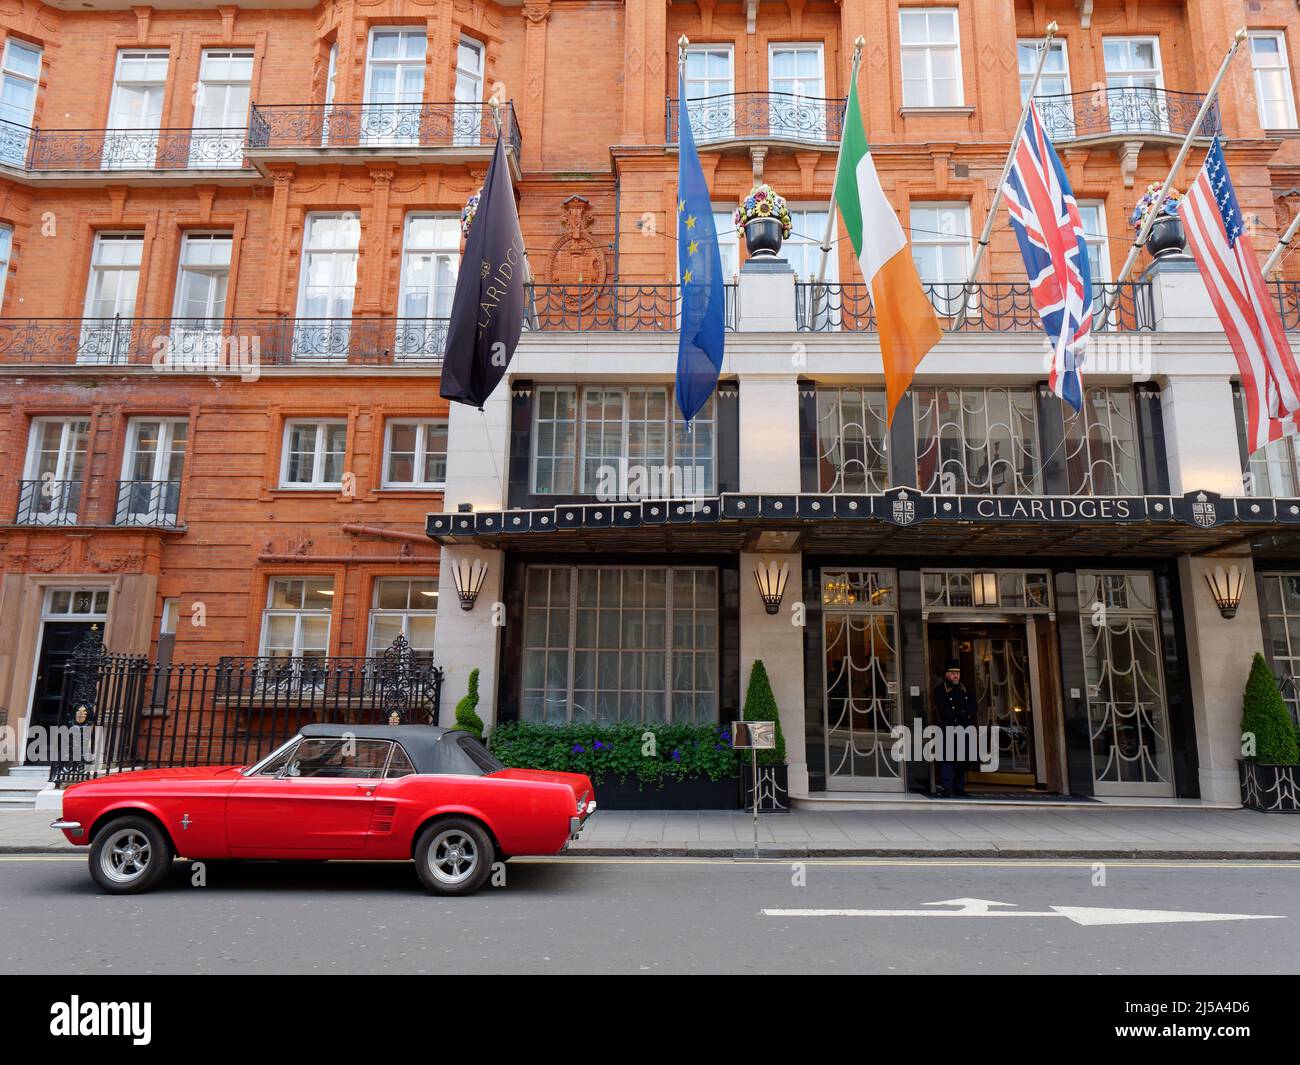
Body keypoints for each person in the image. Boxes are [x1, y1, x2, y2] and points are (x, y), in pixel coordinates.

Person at [932, 658, 976, 797]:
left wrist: (965, 712)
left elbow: (973, 705)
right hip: (949, 726)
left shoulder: (965, 688)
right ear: (947, 675)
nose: (956, 675)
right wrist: (958, 713)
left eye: (957, 673)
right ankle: (946, 787)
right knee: (948, 758)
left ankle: (959, 787)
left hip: (963, 727)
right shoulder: (940, 690)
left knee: (962, 758)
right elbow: (943, 709)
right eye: (952, 673)